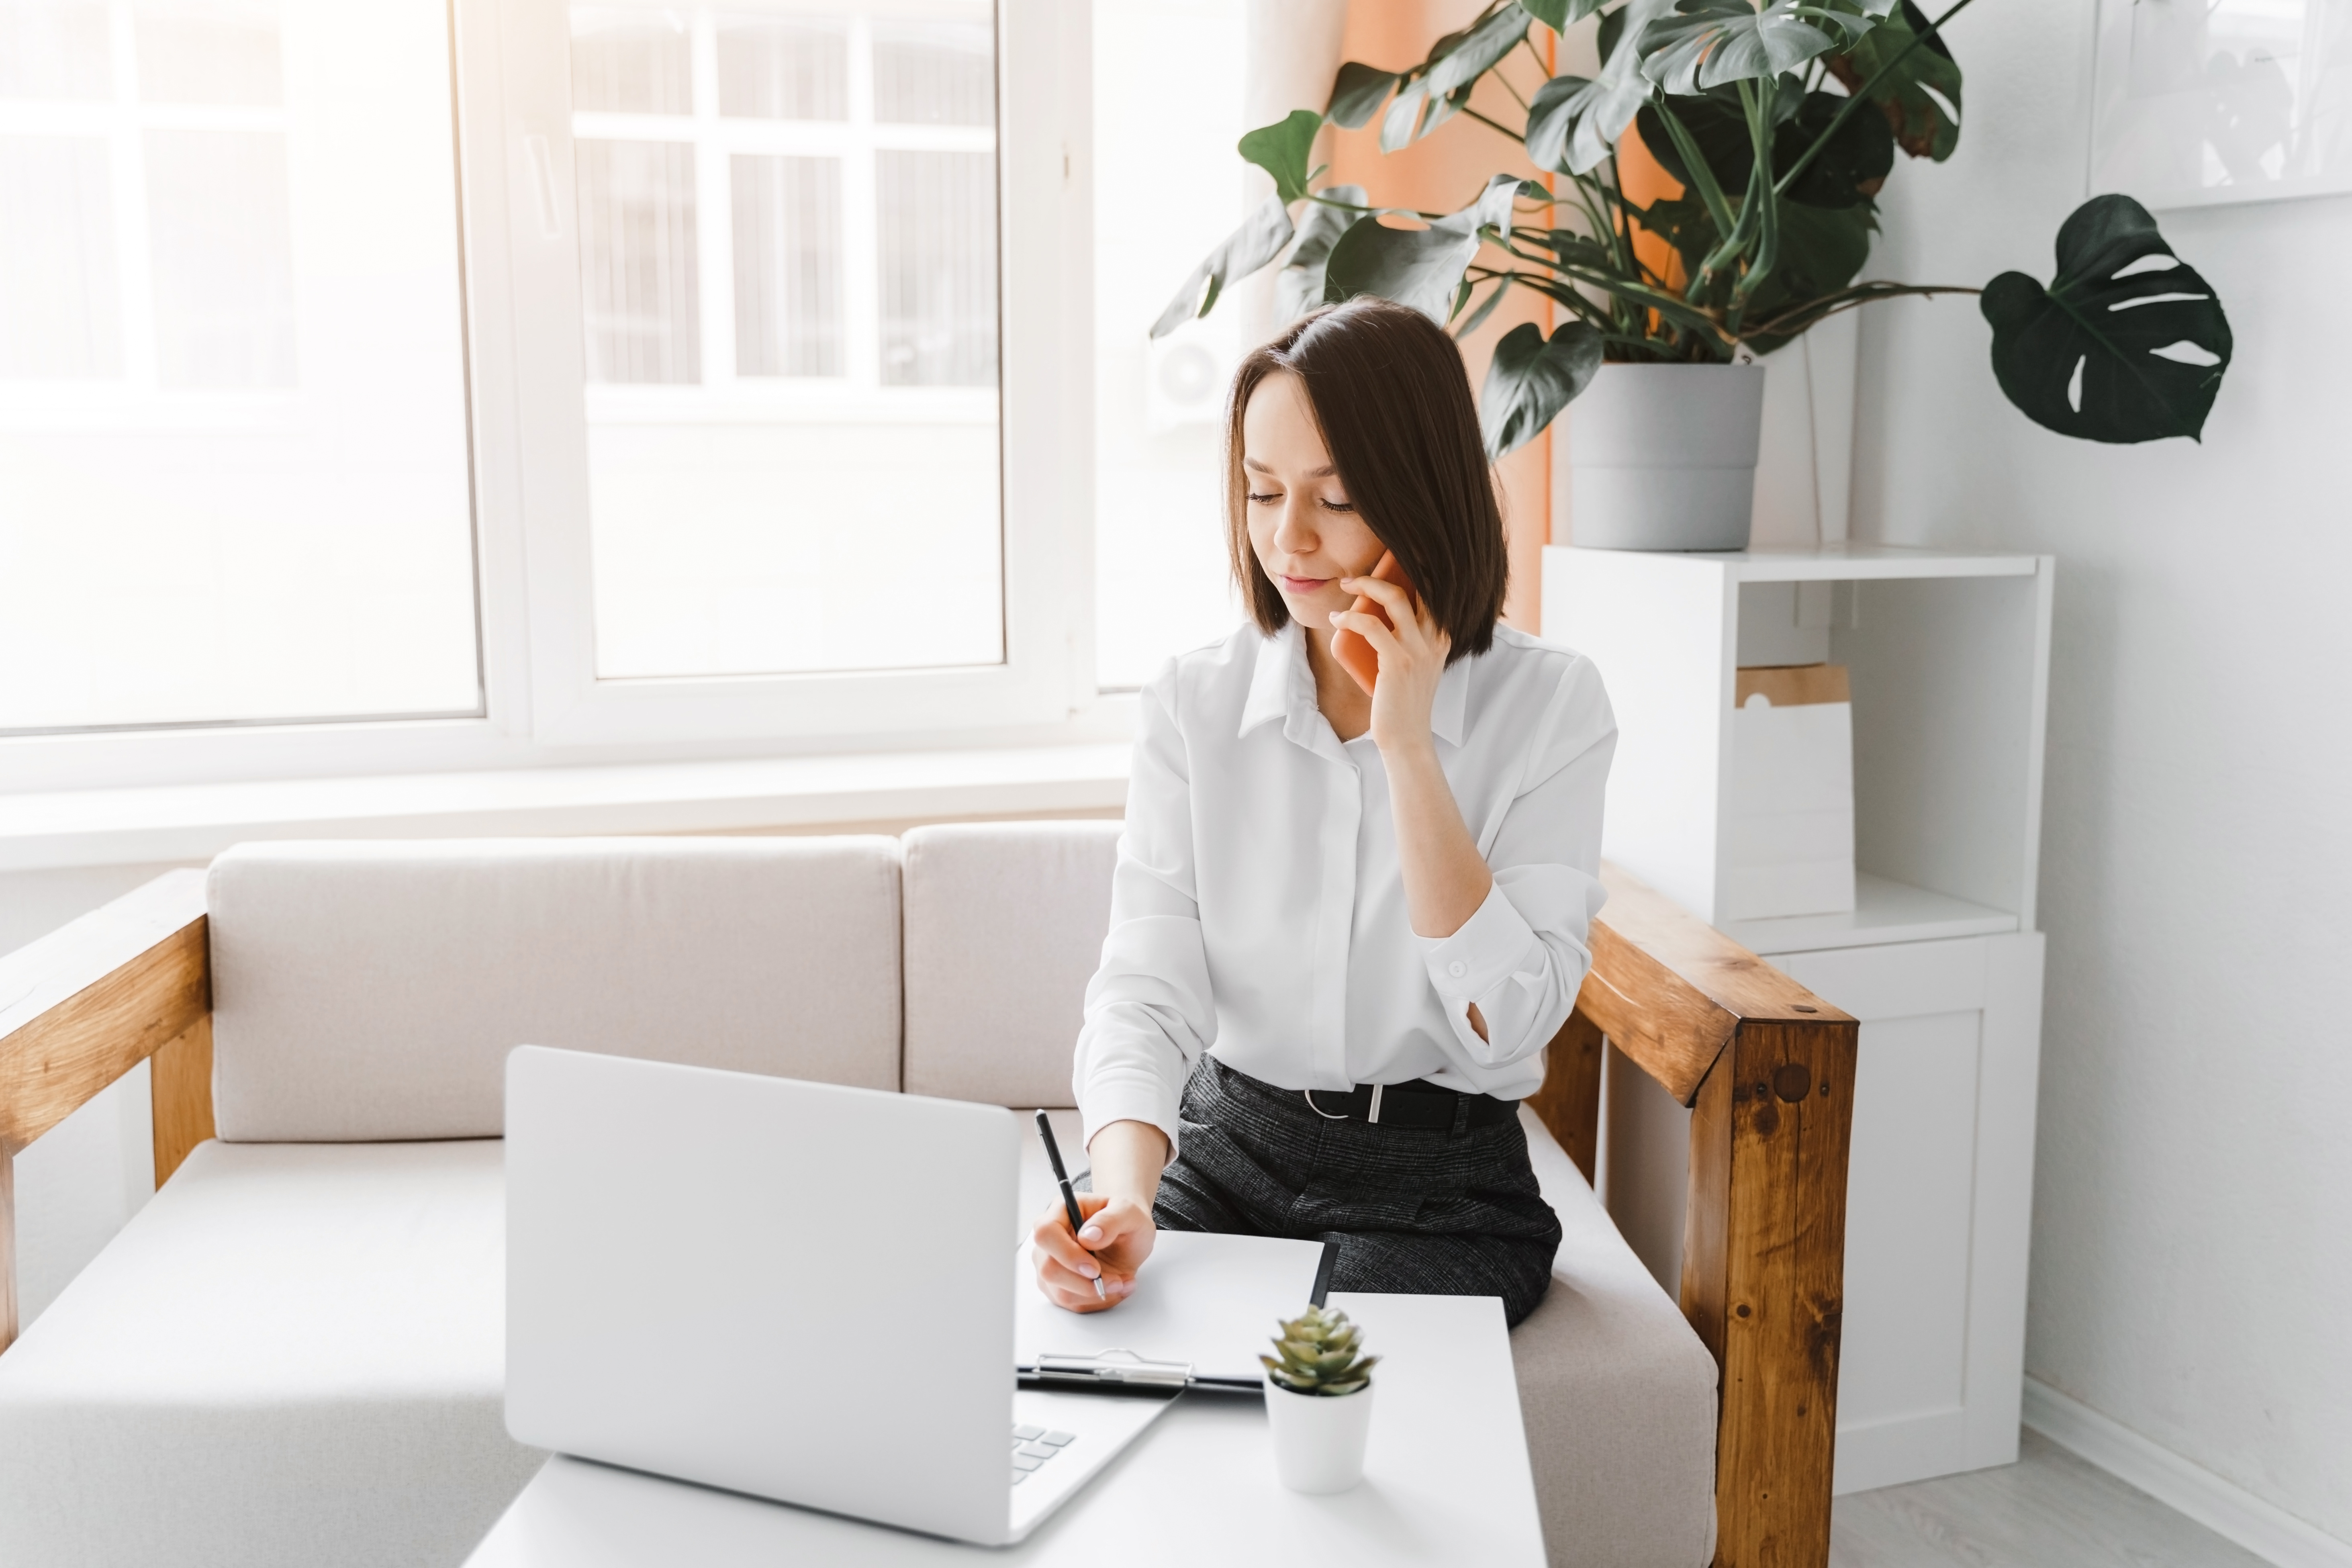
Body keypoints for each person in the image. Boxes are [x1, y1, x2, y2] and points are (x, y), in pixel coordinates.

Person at [1030, 296, 1615, 1329]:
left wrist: (1407, 745)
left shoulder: (1552, 704)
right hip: (1229, 1150)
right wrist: (1120, 1187)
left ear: (1423, 494)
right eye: (1262, 492)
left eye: (1335, 497)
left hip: (1441, 1189)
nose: (1286, 539)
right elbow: (1144, 988)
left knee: (1301, 1361)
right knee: (1105, 1332)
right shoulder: (1193, 703)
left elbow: (1511, 1019)